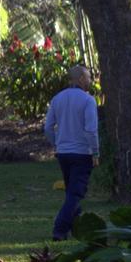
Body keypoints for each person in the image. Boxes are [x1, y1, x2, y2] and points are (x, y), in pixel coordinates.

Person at [44, 65, 99, 241]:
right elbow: (91, 130)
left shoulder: (57, 99)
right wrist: (96, 152)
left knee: (71, 191)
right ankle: (59, 229)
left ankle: (77, 226)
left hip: (64, 153)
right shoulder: (88, 101)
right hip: (82, 153)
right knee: (76, 193)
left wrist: (57, 144)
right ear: (81, 79)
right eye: (89, 77)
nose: (91, 80)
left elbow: (48, 127)